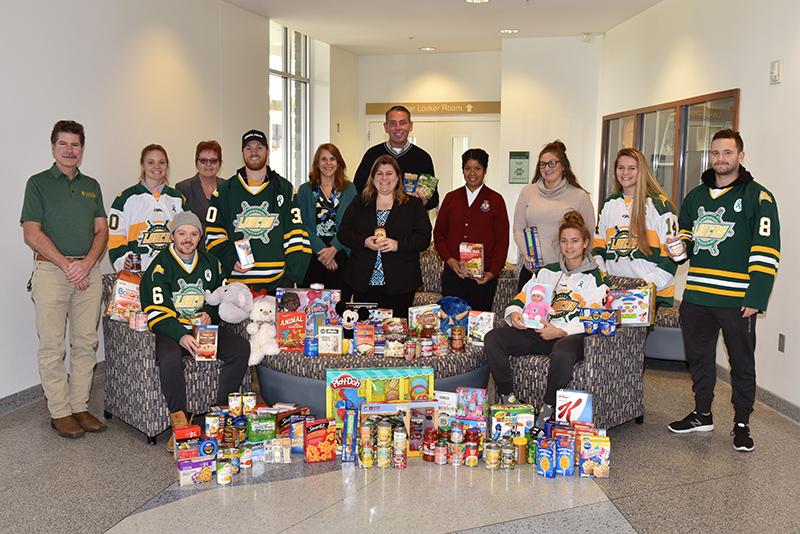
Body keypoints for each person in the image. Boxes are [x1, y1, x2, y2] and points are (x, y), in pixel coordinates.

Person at [666, 130, 780, 452]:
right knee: (699, 359)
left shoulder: (759, 197)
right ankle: (702, 414)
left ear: (740, 156)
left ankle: (742, 423)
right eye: (715, 153)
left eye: (727, 153)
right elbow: (686, 242)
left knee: (742, 363)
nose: (721, 159)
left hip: (737, 300)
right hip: (697, 296)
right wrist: (678, 247)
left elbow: (766, 251)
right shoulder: (695, 197)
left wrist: (756, 297)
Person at [21, 120, 109, 438]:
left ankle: (79, 406)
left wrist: (85, 263)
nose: (70, 150)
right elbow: (31, 232)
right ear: (53, 146)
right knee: (52, 346)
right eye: (63, 144)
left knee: (86, 343)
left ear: (82, 149)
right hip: (51, 272)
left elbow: (102, 230)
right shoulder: (38, 183)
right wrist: (66, 264)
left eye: (75, 144)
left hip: (88, 272)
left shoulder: (92, 186)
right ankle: (59, 412)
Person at [484, 210, 607, 427]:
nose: (569, 247)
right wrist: (514, 314)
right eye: (564, 241)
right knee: (494, 338)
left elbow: (593, 317)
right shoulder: (546, 272)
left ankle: (548, 409)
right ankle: (507, 397)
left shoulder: (595, 277)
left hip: (572, 336)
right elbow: (521, 298)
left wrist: (561, 331)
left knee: (562, 350)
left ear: (586, 243)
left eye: (575, 241)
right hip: (540, 333)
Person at [140, 211, 249, 452]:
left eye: (193, 234)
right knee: (169, 357)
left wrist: (209, 310)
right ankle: (179, 421)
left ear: (200, 237)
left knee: (241, 348)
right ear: (172, 236)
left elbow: (219, 294)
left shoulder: (211, 262)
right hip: (172, 329)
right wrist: (181, 334)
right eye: (182, 233)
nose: (187, 239)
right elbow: (156, 311)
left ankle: (219, 413)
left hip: (203, 330)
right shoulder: (159, 268)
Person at [205, 129, 311, 294]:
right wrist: (231, 259)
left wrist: (290, 275)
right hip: (236, 287)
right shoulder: (224, 191)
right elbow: (214, 233)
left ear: (267, 151)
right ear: (242, 153)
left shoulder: (285, 189)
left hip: (278, 283)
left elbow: (296, 232)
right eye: (248, 147)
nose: (254, 152)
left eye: (259, 147)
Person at [338, 155, 432, 317]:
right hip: (363, 282)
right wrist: (364, 242)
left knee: (397, 335)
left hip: (401, 283)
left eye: (389, 173)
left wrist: (398, 245)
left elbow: (424, 238)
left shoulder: (413, 205)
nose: (384, 178)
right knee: (365, 334)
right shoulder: (360, 202)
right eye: (379, 173)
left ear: (397, 177)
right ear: (373, 177)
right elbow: (344, 233)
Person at [592, 147, 678, 306]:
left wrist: (642, 285)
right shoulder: (609, 204)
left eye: (632, 168)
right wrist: (604, 278)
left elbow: (671, 258)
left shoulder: (660, 205)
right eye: (621, 168)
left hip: (653, 297)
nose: (625, 173)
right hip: (614, 293)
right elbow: (598, 248)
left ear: (642, 171)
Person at [512, 140, 595, 292]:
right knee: (527, 314)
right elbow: (518, 228)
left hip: (565, 272)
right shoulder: (527, 192)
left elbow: (588, 236)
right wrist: (527, 254)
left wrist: (577, 266)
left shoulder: (580, 196)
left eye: (552, 163)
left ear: (563, 165)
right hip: (532, 271)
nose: (546, 168)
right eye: (542, 164)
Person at [433, 148, 509, 311]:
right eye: (468, 168)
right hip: (454, 275)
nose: (472, 173)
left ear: (485, 170)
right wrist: (450, 261)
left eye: (477, 168)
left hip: (483, 278)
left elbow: (502, 240)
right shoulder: (451, 198)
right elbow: (438, 234)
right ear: (462, 170)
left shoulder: (495, 200)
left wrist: (492, 273)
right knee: (451, 323)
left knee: (478, 324)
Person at [108, 144, 185, 273]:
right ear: (142, 165)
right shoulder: (125, 199)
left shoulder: (177, 198)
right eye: (150, 162)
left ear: (167, 165)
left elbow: (187, 236)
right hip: (137, 273)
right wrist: (123, 259)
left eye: (161, 162)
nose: (157, 166)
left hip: (171, 273)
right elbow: (114, 236)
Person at [296, 143, 357, 300]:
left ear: (339, 163)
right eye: (323, 159)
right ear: (317, 163)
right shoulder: (305, 190)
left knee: (339, 309)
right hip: (312, 254)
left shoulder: (350, 189)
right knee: (311, 305)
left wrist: (333, 249)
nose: (328, 163)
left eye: (332, 159)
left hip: (341, 253)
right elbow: (300, 224)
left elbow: (352, 223)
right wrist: (323, 251)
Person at [353, 105, 438, 210]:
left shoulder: (423, 158)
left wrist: (424, 201)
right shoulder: (372, 155)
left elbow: (434, 198)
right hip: (377, 220)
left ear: (410, 126)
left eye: (403, 123)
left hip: (410, 221)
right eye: (393, 123)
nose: (398, 128)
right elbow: (358, 189)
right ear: (386, 127)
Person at [175, 140, 225, 228]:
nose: (208, 164)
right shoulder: (183, 188)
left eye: (213, 161)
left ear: (219, 163)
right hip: (196, 241)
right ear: (196, 163)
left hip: (224, 240)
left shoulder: (228, 187)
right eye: (203, 160)